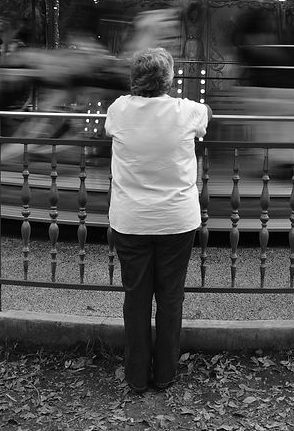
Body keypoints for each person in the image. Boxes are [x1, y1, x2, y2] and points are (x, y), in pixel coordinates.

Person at [103, 47, 212, 395]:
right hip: (176, 220)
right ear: (168, 79)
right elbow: (207, 113)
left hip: (131, 219)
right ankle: (165, 373)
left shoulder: (118, 109)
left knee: (136, 297)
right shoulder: (187, 111)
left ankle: (136, 375)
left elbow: (109, 129)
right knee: (170, 296)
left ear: (135, 79)